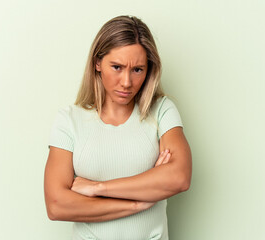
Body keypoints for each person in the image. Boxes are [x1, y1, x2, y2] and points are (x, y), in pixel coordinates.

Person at [44, 15, 192, 240]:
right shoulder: (70, 119)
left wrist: (98, 188)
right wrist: (138, 203)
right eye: (117, 67)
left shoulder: (162, 110)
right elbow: (56, 205)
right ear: (97, 63)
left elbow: (179, 177)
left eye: (138, 70)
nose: (126, 82)